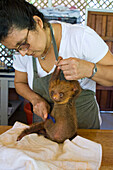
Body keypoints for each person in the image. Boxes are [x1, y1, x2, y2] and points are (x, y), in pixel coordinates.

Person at [0, 0, 113, 129]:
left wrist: (90, 69)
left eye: (24, 43)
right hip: (46, 126)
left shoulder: (80, 37)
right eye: (16, 49)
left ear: (38, 22)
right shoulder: (22, 53)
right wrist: (35, 100)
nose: (23, 53)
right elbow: (20, 83)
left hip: (84, 129)